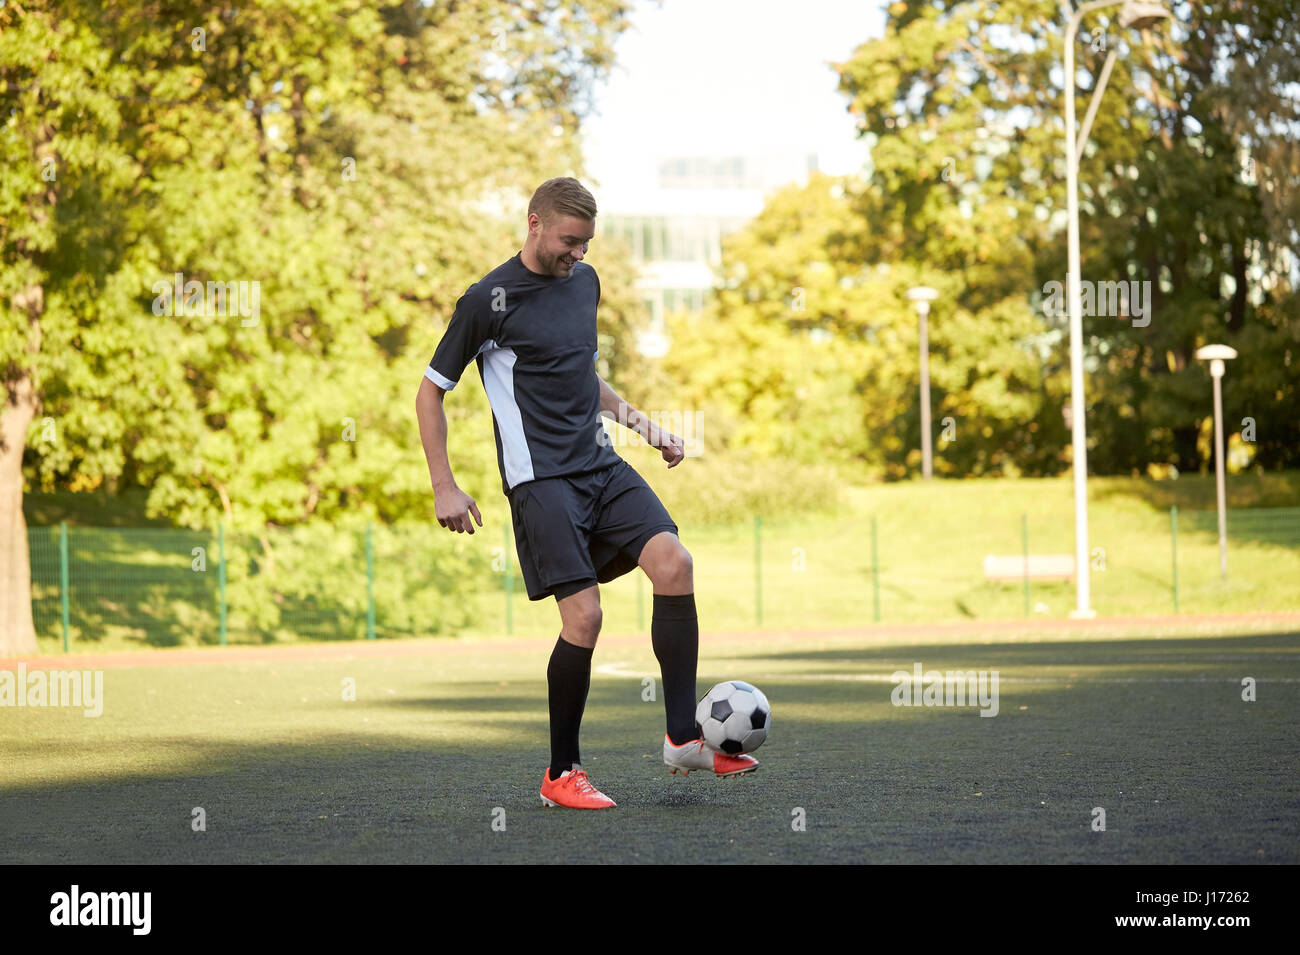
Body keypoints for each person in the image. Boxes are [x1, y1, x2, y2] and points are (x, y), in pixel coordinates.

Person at [415, 177, 758, 810]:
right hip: (541, 480)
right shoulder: (487, 301)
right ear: (534, 223)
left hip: (600, 466)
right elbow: (431, 390)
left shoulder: (586, 283)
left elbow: (582, 375)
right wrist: (445, 485)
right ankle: (560, 773)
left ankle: (683, 736)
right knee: (586, 616)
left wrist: (646, 428)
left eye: (587, 244)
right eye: (570, 241)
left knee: (675, 564)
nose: (578, 254)